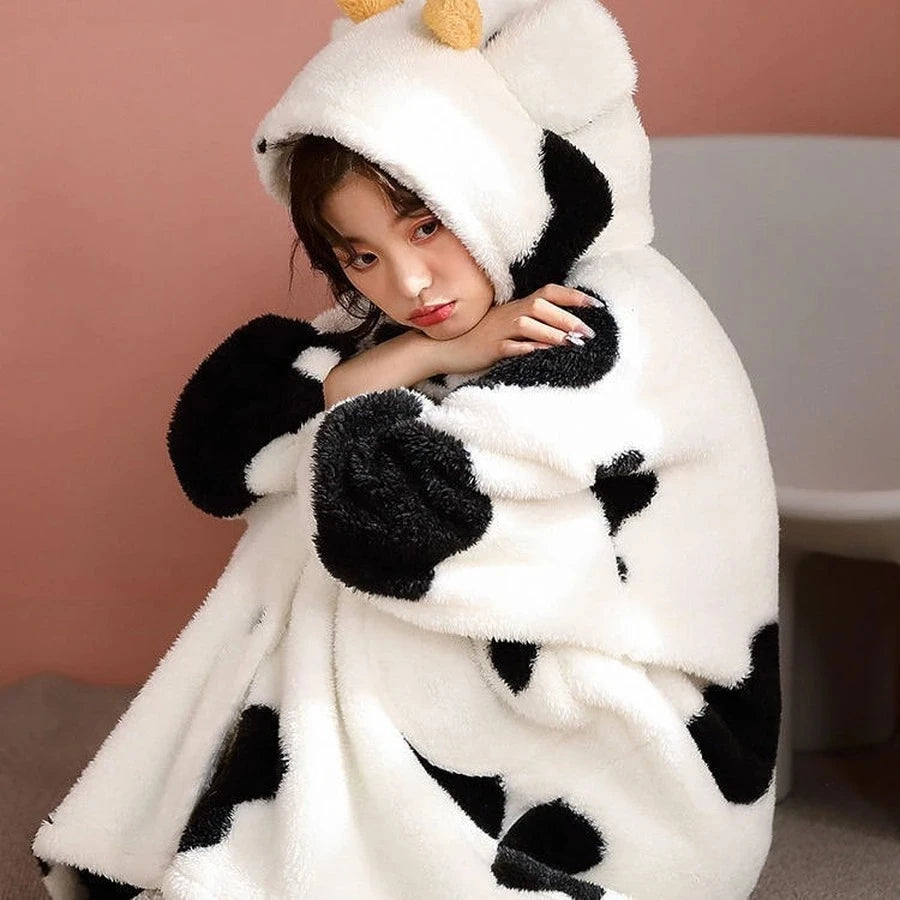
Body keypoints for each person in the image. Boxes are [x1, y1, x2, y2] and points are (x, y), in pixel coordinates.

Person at [285, 133, 602, 410]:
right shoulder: (345, 340)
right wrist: (438, 352)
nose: (410, 285)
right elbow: (332, 396)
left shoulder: (594, 299)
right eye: (364, 259)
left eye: (426, 229)